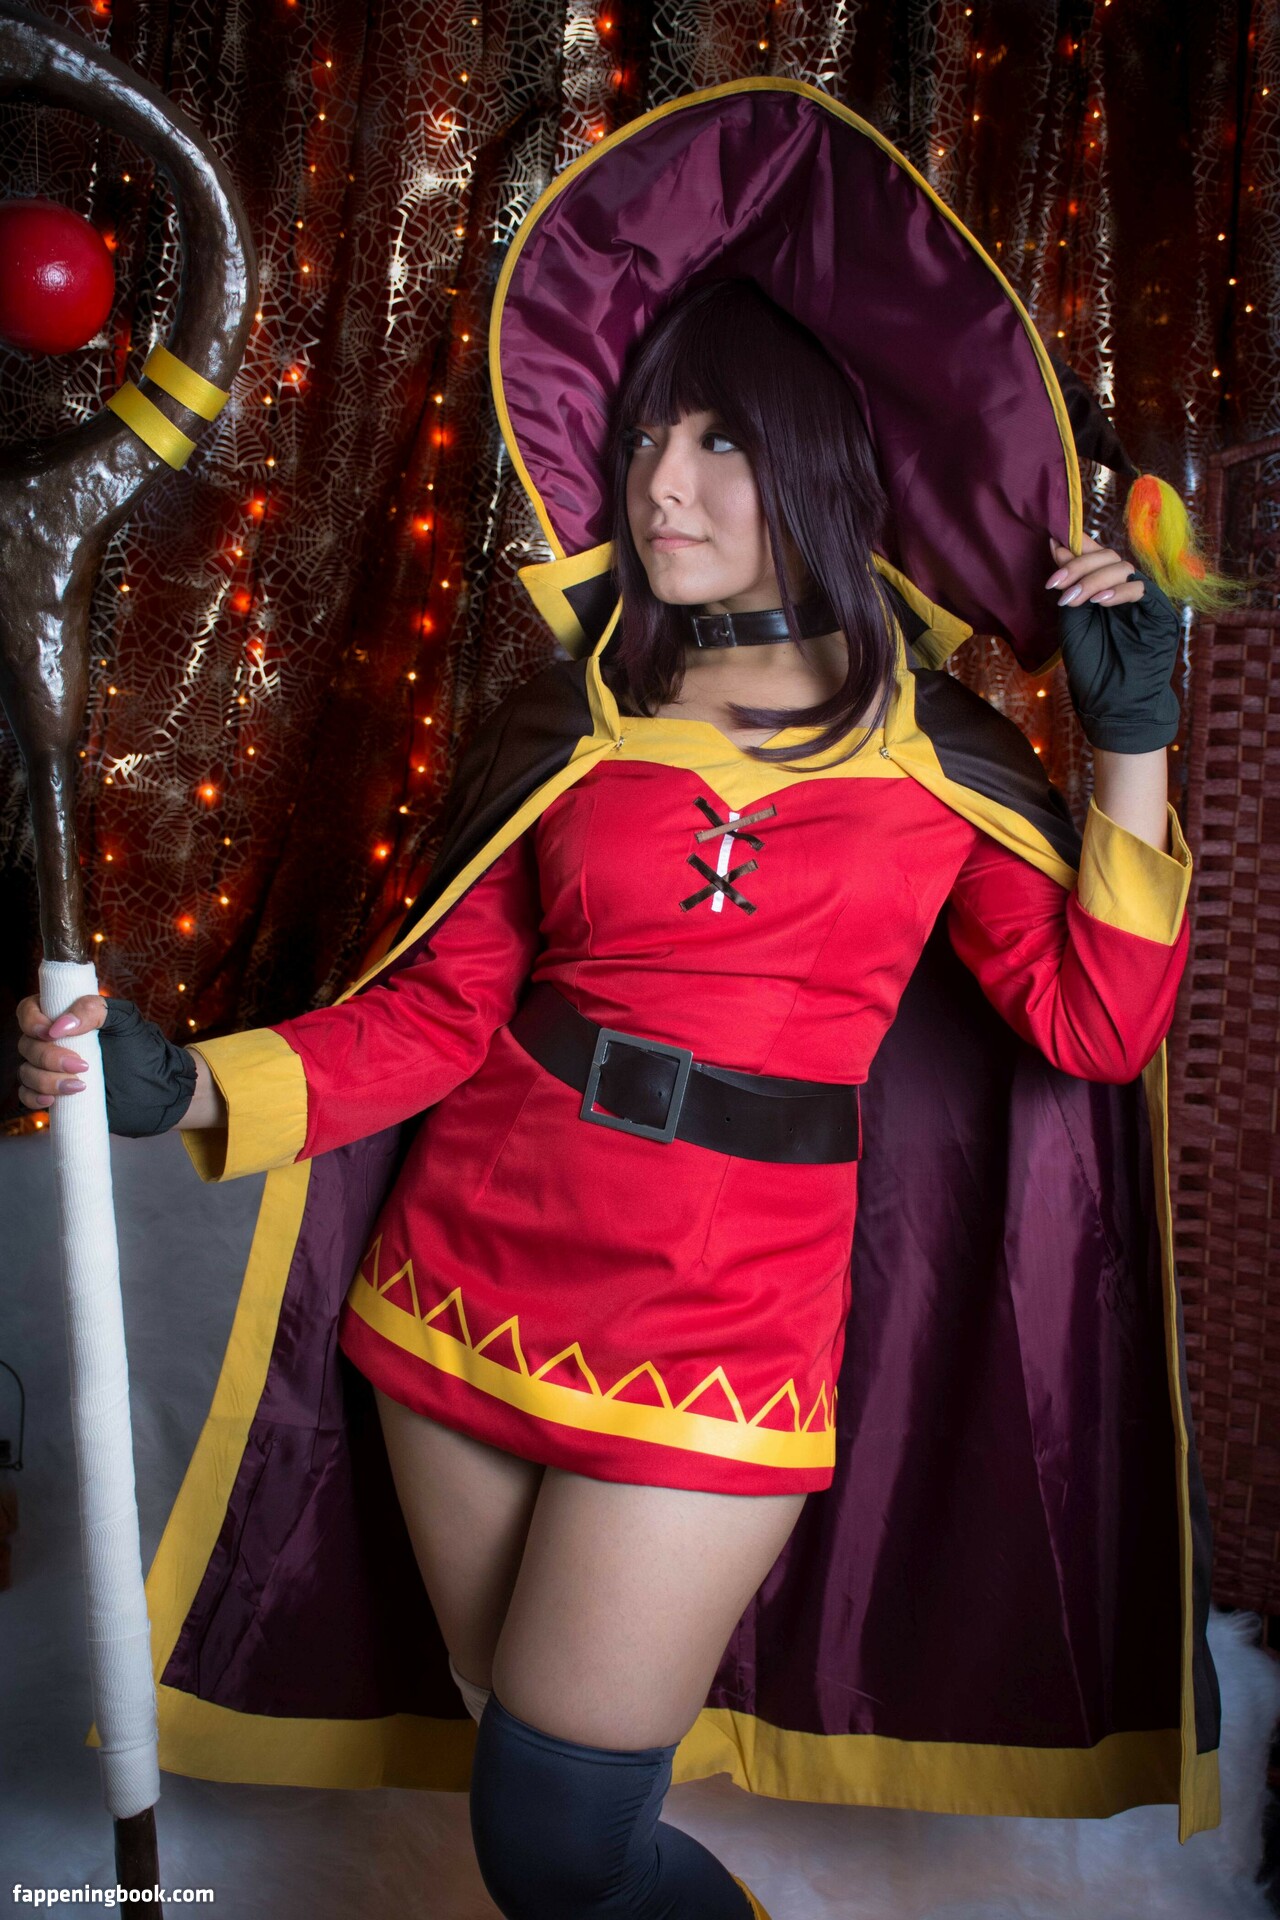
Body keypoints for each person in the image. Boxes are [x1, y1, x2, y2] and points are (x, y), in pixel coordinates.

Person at [17, 82, 1226, 1915]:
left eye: (721, 442)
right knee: (522, 1759)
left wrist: (1128, 742)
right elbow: (434, 1022)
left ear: (823, 462)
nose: (663, 484)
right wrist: (178, 1084)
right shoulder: (571, 724)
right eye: (651, 433)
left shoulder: (938, 760)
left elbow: (1094, 1029)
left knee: (559, 1838)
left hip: (729, 1325)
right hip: (456, 1285)